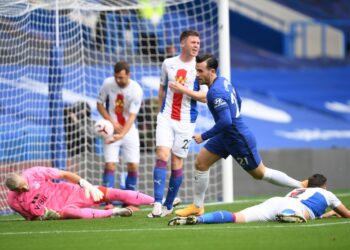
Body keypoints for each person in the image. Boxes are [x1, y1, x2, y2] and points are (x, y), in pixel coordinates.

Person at [175, 54, 307, 217]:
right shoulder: (223, 81)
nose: (197, 74)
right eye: (196, 70)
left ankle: (301, 185)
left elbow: (226, 121)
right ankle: (197, 206)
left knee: (260, 174)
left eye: (200, 71)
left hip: (238, 139)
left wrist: (204, 136)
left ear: (212, 71)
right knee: (201, 163)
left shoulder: (215, 93)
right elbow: (238, 100)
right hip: (225, 135)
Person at [149, 30, 207, 218]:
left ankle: (168, 205)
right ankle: (157, 203)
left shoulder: (200, 67)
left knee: (176, 162)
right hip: (166, 117)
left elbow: (204, 97)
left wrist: (183, 90)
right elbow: (161, 88)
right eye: (193, 42)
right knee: (162, 154)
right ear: (183, 43)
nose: (197, 45)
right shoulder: (168, 63)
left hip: (186, 122)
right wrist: (159, 111)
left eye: (198, 42)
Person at [169, 174, 350, 225]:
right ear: (324, 186)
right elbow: (347, 214)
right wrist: (339, 212)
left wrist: (328, 214)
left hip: (275, 202)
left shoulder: (298, 189)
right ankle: (288, 215)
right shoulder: (327, 194)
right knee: (299, 213)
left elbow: (318, 212)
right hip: (294, 207)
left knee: (235, 217)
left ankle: (200, 219)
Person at [5, 166, 154, 220]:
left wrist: (85, 184)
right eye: (20, 190)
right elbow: (31, 218)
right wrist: (47, 216)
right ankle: (115, 212)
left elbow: (64, 174)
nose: (25, 189)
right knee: (77, 214)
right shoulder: (13, 202)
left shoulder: (34, 173)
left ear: (21, 177)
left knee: (114, 193)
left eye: (24, 185)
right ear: (13, 191)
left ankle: (157, 201)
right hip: (62, 211)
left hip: (73, 192)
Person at [97, 61, 143, 209]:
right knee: (110, 164)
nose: (118, 80)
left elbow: (132, 116)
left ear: (128, 75)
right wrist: (111, 123)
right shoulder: (107, 84)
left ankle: (129, 200)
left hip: (129, 130)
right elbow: (99, 104)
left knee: (133, 165)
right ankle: (107, 200)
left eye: (121, 77)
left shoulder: (136, 89)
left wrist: (122, 133)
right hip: (110, 129)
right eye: (116, 77)